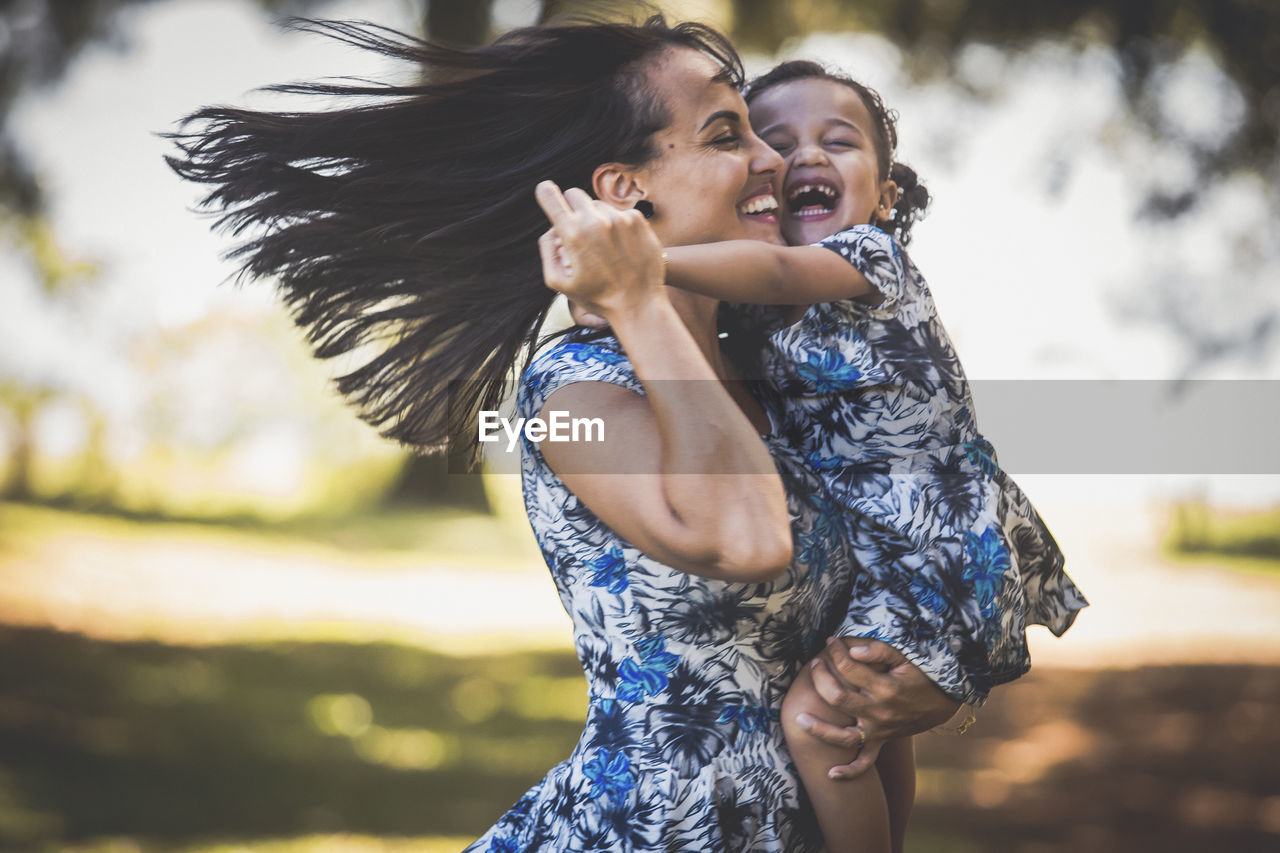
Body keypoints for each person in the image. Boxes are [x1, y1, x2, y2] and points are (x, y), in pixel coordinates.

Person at [166, 17, 961, 851]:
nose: (772, 158)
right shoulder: (567, 397)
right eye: (727, 134)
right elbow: (748, 537)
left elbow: (880, 610)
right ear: (624, 191)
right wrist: (637, 298)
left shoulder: (787, 383)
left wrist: (923, 687)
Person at [579, 60, 1089, 852]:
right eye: (766, 139)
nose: (791, 159)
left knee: (818, 723)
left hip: (933, 536)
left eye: (837, 141)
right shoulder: (709, 344)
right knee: (860, 724)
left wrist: (639, 268)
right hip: (900, 542)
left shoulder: (866, 259)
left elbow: (776, 265)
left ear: (886, 195)